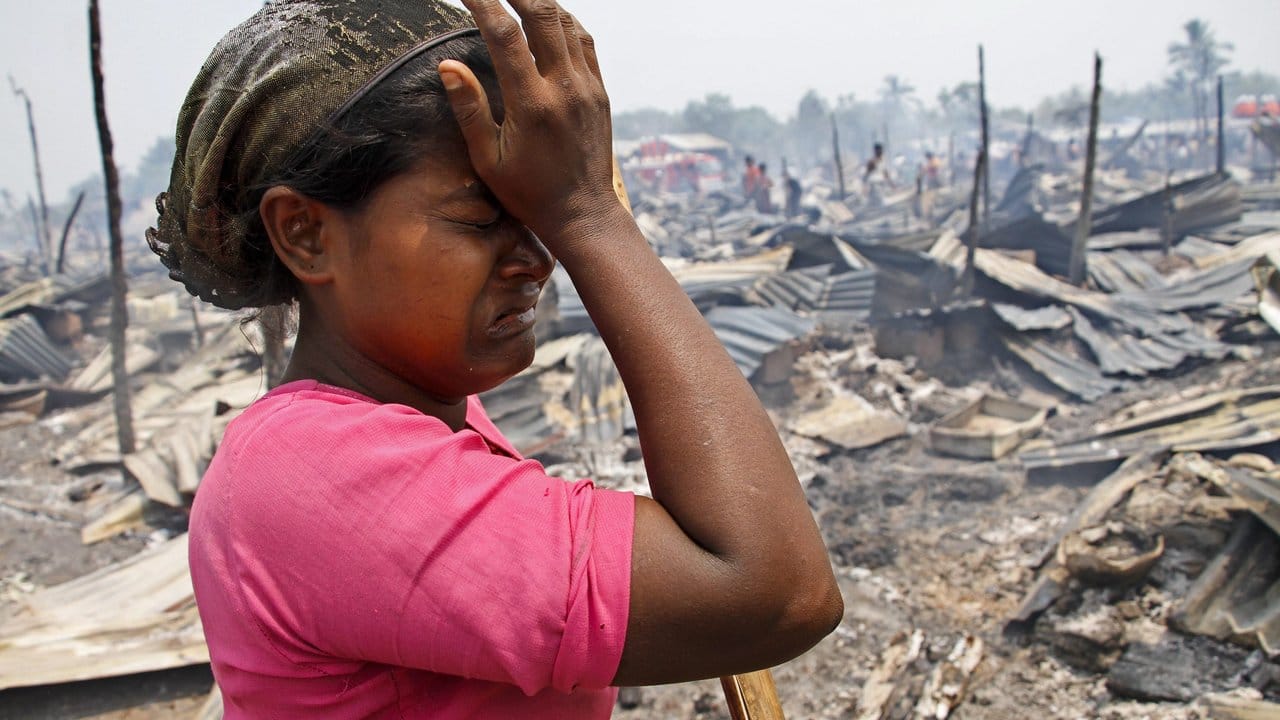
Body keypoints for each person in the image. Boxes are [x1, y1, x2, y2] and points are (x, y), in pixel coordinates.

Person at [147, 1, 842, 718]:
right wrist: (589, 215)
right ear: (305, 233)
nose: (539, 259)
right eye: (482, 218)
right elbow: (776, 593)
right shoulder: (310, 471)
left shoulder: (433, 417)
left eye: (536, 216)